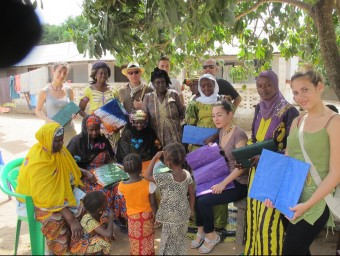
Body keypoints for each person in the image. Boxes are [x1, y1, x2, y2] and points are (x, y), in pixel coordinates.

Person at [263, 65, 340, 255]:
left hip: (317, 200)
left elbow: (336, 172)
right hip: (291, 196)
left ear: (319, 87)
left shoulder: (334, 122)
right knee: (299, 250)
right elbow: (289, 157)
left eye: (305, 89)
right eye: (295, 92)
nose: (300, 96)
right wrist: (275, 192)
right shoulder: (298, 121)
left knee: (291, 249)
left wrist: (307, 204)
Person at [244, 70, 300, 255]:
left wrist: (267, 158)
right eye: (260, 85)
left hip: (276, 172)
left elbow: (294, 148)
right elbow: (254, 138)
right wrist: (244, 156)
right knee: (253, 217)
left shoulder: (290, 111)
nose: (263, 89)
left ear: (276, 85)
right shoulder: (258, 108)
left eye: (268, 85)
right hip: (256, 170)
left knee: (270, 221)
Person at [190, 100, 248, 254]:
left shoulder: (239, 134)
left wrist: (222, 183)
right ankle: (201, 231)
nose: (215, 119)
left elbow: (241, 167)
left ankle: (212, 236)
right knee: (198, 193)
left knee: (205, 201)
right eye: (214, 115)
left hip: (238, 182)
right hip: (224, 176)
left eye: (219, 115)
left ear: (230, 114)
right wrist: (212, 150)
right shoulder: (222, 131)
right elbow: (223, 154)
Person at [16, 123, 84, 255]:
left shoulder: (59, 152)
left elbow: (68, 169)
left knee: (87, 205)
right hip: (35, 202)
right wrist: (71, 219)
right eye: (57, 141)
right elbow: (47, 198)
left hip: (57, 195)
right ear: (46, 140)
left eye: (61, 139)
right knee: (56, 220)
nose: (60, 144)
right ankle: (59, 251)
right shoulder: (39, 163)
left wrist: (83, 172)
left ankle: (77, 246)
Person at [67, 114, 128, 232]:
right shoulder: (77, 142)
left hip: (104, 172)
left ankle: (120, 218)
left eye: (97, 129)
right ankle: (104, 222)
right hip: (85, 176)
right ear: (85, 128)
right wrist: (85, 172)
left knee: (121, 187)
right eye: (91, 130)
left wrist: (117, 167)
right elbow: (68, 164)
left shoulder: (102, 140)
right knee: (103, 192)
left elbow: (109, 158)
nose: (95, 133)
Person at [185, 73, 230, 233]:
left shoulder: (222, 101)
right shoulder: (194, 103)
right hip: (199, 146)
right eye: (203, 85)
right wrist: (196, 139)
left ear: (215, 85)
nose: (206, 88)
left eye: (209, 85)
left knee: (218, 180)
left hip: (218, 145)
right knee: (200, 182)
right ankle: (201, 219)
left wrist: (213, 136)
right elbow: (190, 124)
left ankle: (218, 220)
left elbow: (227, 123)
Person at [144, 142, 195, 255]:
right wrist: (191, 210)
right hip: (183, 213)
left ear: (168, 162)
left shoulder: (166, 178)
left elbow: (147, 175)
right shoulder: (187, 174)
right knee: (180, 241)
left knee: (168, 243)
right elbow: (192, 194)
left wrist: (155, 157)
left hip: (170, 216)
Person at [118, 153, 158, 255]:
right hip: (146, 217)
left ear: (125, 170)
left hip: (132, 218)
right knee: (147, 240)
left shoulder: (121, 185)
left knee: (135, 240)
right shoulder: (148, 184)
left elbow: (123, 198)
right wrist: (157, 215)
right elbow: (153, 202)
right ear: (141, 168)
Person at [78, 61, 120, 150]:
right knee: (98, 152)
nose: (103, 75)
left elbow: (119, 108)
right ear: (95, 75)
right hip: (96, 130)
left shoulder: (113, 90)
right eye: (101, 73)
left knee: (114, 151)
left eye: (106, 73)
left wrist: (118, 125)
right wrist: (90, 120)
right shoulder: (89, 90)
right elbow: (80, 109)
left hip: (112, 128)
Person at [35, 62, 77, 145]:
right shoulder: (44, 91)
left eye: (64, 73)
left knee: (70, 155)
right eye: (59, 72)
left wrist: (74, 114)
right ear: (53, 71)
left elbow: (73, 108)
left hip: (69, 130)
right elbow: (38, 110)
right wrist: (48, 120)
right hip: (52, 130)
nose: (62, 75)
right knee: (53, 155)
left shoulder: (69, 90)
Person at [143, 67, 185, 147]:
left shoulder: (174, 94)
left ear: (167, 82)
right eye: (157, 83)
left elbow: (183, 112)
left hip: (175, 137)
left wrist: (182, 127)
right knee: (159, 158)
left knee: (177, 157)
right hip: (156, 139)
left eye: (163, 82)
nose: (161, 85)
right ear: (153, 84)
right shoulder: (148, 97)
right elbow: (145, 117)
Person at [70, 191, 115, 255]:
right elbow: (108, 234)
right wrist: (111, 218)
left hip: (91, 238)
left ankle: (99, 252)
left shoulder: (96, 212)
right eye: (105, 201)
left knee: (105, 220)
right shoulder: (87, 219)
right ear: (99, 209)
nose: (107, 202)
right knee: (102, 240)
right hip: (81, 244)